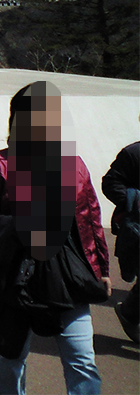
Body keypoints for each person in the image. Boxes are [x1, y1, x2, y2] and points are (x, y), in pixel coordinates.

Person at [0, 81, 111, 395]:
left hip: (68, 276)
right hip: (13, 278)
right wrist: (20, 226)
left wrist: (102, 271)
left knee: (82, 359)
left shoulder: (73, 164)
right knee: (11, 358)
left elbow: (90, 222)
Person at [101, 140, 139, 343]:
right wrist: (136, 200)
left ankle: (130, 313)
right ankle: (130, 313)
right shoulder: (134, 153)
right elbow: (110, 183)